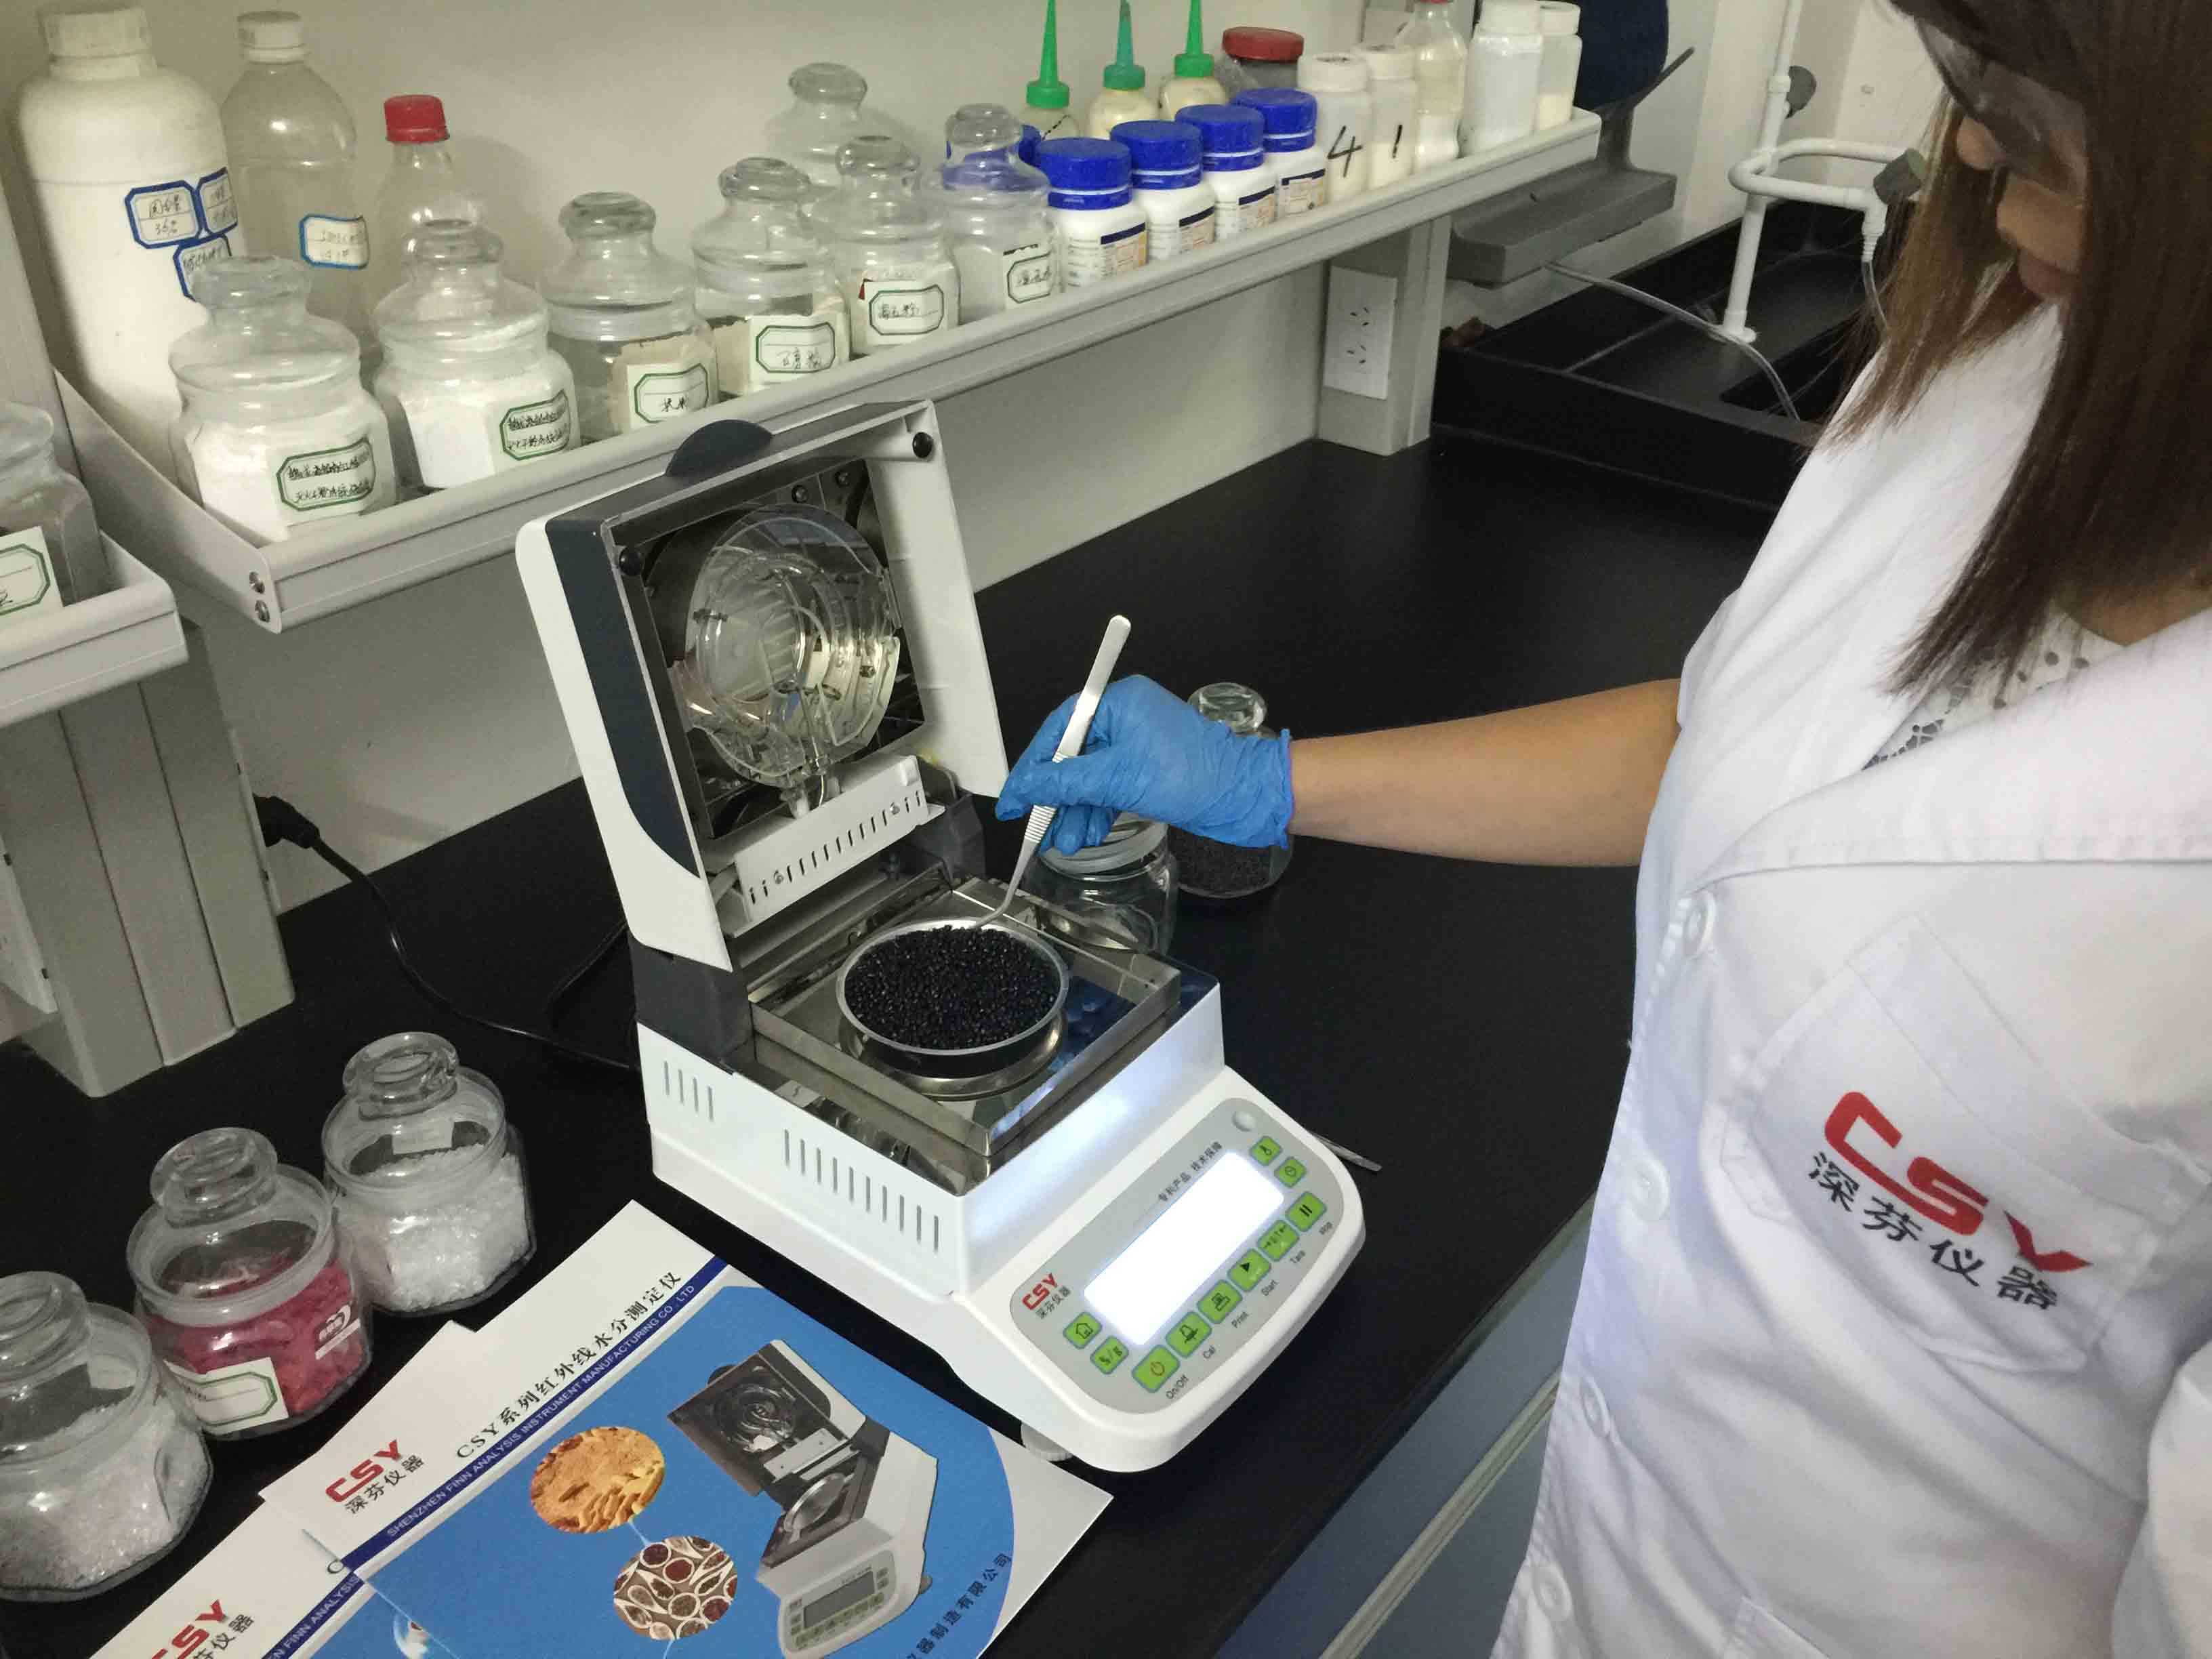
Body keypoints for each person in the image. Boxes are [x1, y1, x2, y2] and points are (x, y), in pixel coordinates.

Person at [994, 1, 2212, 1652]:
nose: (1982, 151)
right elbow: (1733, 746)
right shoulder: (1988, 365)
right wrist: (1271, 781)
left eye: (2047, 112)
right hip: (1622, 1553)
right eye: (1976, 85)